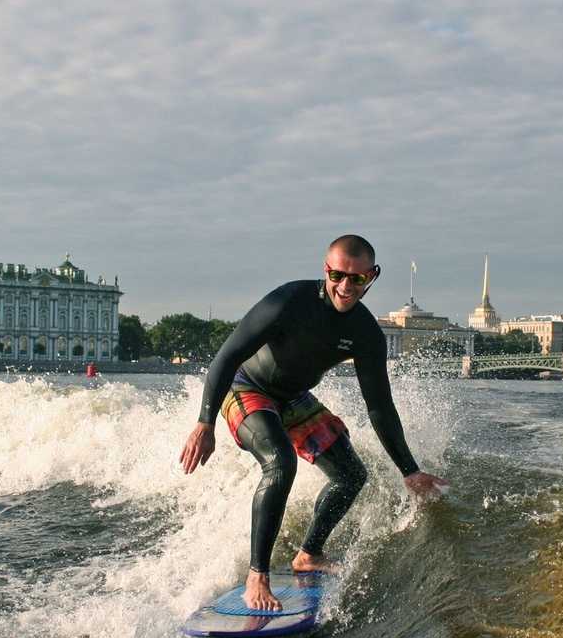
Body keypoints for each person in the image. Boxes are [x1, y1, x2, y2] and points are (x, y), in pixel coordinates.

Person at [179, 234, 448, 611]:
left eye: (357, 279)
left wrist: (410, 470)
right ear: (326, 270)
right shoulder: (287, 302)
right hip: (248, 389)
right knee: (281, 462)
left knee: (352, 474)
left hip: (294, 399)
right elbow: (226, 357)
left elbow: (380, 406)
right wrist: (204, 423)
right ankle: (257, 576)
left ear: (372, 276)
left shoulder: (365, 333)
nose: (345, 286)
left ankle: (309, 554)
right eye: (337, 275)